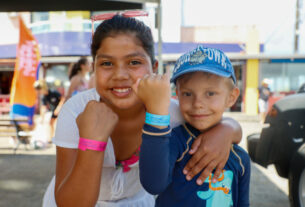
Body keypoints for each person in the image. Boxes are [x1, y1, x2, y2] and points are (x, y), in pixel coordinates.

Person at [42, 15, 242, 207]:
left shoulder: (171, 113)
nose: (120, 75)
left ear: (154, 68)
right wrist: (92, 141)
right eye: (107, 63)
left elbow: (219, 123)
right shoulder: (76, 112)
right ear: (94, 68)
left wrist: (227, 129)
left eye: (134, 62)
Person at [137, 46, 251, 206]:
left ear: (231, 97)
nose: (198, 104)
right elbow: (153, 184)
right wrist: (155, 116)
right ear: (177, 94)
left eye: (210, 93)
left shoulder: (241, 159)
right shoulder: (174, 141)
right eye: (187, 94)